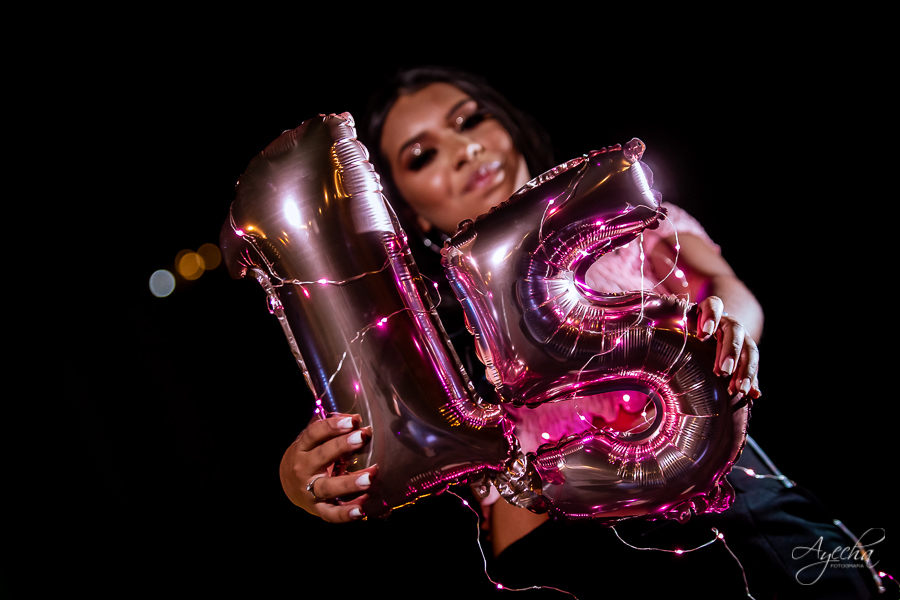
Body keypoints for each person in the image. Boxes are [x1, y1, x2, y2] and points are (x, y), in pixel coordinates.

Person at [278, 66, 883, 598]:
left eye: (469, 120)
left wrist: (729, 339)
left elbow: (731, 291)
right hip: (556, 567)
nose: (463, 151)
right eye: (422, 155)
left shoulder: (630, 225)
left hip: (724, 515)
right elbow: (379, 449)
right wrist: (306, 482)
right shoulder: (417, 330)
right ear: (400, 205)